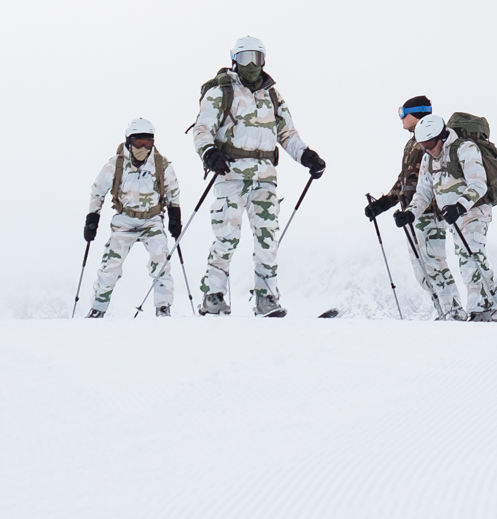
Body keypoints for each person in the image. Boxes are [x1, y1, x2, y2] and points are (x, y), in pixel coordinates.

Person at [191, 36, 324, 317]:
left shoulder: (272, 95)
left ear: (264, 61)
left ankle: (267, 298)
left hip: (265, 178)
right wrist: (209, 154)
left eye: (256, 58)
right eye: (244, 58)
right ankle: (213, 296)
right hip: (231, 174)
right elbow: (202, 129)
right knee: (227, 236)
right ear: (234, 61)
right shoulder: (221, 92)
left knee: (267, 237)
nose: (251, 64)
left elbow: (287, 134)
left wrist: (306, 156)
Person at [363, 96, 466, 320]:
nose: (400, 118)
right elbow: (405, 181)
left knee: (434, 264)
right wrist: (382, 204)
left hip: (430, 212)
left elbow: (427, 182)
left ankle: (454, 312)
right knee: (422, 270)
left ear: (416, 114)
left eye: (403, 112)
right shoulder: (413, 143)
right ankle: (444, 312)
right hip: (412, 216)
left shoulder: (430, 141)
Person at [412, 112, 497, 322]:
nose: (428, 150)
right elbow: (423, 191)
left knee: (471, 256)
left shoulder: (464, 148)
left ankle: (488, 309)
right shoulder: (428, 158)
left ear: (441, 136)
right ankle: (491, 308)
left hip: (474, 211)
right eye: (423, 145)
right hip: (453, 217)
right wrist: (410, 213)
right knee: (467, 257)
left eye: (430, 144)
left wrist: (459, 205)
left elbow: (478, 184)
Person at [84, 119, 183, 317]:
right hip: (125, 221)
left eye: (148, 143)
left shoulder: (161, 165)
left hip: (152, 221)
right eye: (139, 143)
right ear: (129, 142)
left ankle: (163, 308)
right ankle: (97, 309)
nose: (143, 148)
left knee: (160, 260)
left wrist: (174, 216)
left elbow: (173, 192)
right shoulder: (116, 165)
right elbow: (97, 191)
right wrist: (92, 218)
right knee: (110, 266)